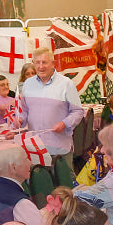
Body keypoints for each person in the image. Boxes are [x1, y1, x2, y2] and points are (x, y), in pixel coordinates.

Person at [20, 46, 85, 187]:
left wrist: (64, 123)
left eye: (44, 62)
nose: (40, 66)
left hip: (59, 147)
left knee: (64, 187)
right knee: (40, 188)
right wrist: (20, 119)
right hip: (35, 147)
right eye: (37, 63)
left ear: (53, 63)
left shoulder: (66, 84)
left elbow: (78, 111)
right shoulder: (27, 85)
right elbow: (23, 110)